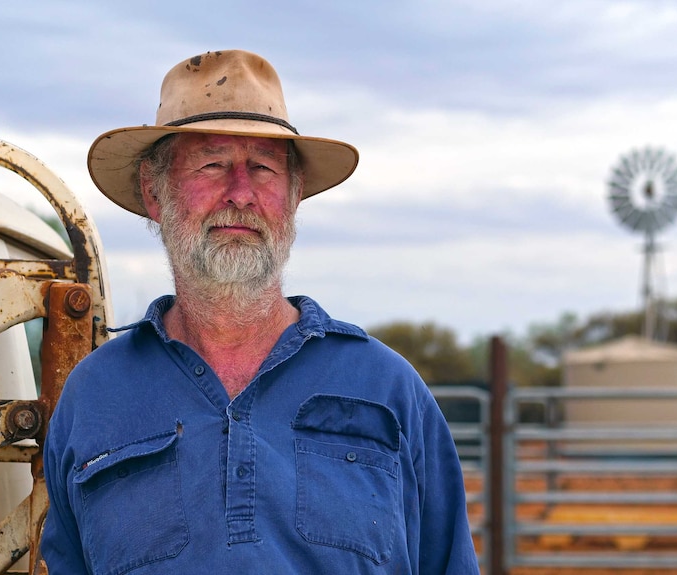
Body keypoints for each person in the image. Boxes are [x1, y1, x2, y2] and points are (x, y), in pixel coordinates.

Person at [41, 49, 478, 574]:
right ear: (154, 193)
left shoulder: (386, 389)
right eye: (213, 164)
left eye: (264, 169)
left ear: (293, 197)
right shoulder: (94, 397)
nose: (241, 194)